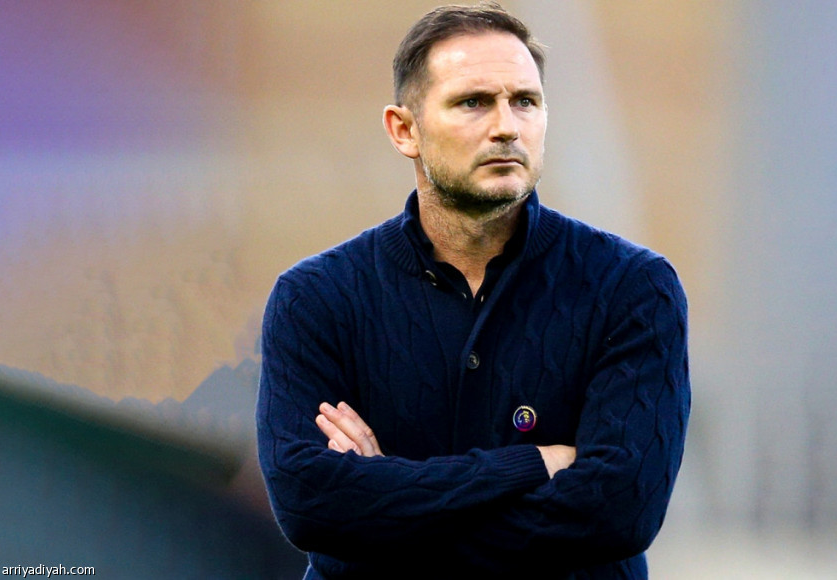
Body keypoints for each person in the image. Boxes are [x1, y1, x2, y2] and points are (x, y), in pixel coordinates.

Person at [256, 3, 691, 578]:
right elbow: (309, 504)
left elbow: (620, 512)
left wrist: (383, 499)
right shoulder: (317, 297)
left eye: (525, 101)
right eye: (474, 102)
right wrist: (529, 466)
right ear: (405, 130)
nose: (507, 126)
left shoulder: (631, 288)